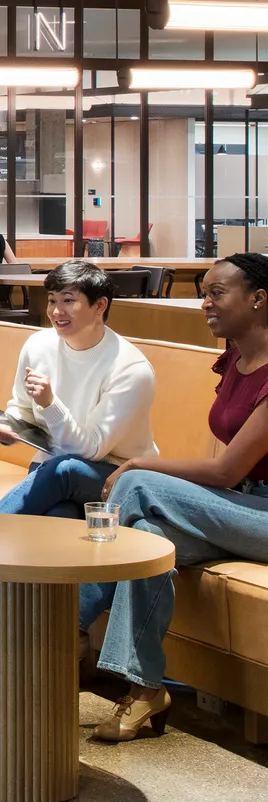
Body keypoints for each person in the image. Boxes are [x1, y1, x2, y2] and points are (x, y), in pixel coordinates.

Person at [78, 251, 268, 742]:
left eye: (216, 292)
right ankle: (145, 691)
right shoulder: (236, 360)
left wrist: (142, 463)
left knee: (137, 484)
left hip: (261, 513)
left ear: (259, 299)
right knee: (150, 536)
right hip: (244, 507)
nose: (204, 302)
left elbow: (225, 471)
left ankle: (70, 622)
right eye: (205, 291)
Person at [0, 259, 155, 594]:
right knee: (56, 523)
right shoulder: (38, 346)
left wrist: (51, 403)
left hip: (112, 476)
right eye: (52, 300)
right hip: (53, 477)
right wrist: (8, 425)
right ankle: (51, 634)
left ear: (100, 306)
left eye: (68, 300)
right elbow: (20, 407)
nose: (56, 311)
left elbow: (91, 450)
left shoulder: (131, 369)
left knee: (64, 468)